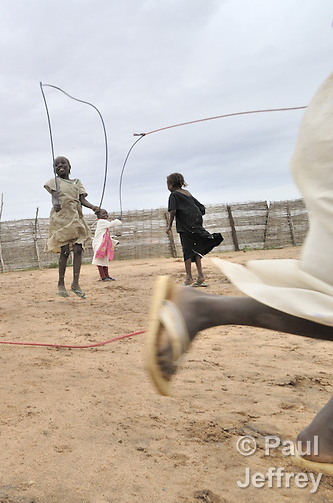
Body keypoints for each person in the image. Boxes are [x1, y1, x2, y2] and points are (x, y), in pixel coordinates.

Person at [145, 71, 333, 476]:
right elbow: (193, 210)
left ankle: (327, 434)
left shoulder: (178, 196)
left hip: (191, 228)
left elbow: (177, 213)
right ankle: (201, 301)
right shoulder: (186, 194)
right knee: (195, 256)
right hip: (194, 225)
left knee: (192, 255)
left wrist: (170, 227)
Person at [44, 156, 99, 298]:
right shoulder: (54, 182)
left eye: (63, 163)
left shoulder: (77, 182)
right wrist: (55, 204)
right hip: (61, 220)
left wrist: (93, 207)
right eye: (56, 165)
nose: (60, 166)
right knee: (65, 251)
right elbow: (54, 196)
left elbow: (82, 199)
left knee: (78, 249)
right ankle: (61, 283)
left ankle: (75, 283)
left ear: (69, 166)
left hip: (76, 219)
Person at [165, 173, 223, 287]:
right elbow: (201, 208)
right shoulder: (187, 193)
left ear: (171, 184)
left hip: (186, 225)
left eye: (167, 184)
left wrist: (169, 226)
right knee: (196, 249)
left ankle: (189, 278)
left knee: (187, 249)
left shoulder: (174, 195)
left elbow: (173, 211)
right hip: (196, 222)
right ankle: (200, 277)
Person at [91, 209, 121, 281]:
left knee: (104, 260)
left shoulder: (103, 224)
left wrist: (114, 241)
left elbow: (106, 237)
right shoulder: (101, 222)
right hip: (99, 244)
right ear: (99, 216)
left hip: (103, 245)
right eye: (103, 213)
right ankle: (103, 276)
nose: (106, 215)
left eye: (106, 213)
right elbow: (111, 224)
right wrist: (117, 220)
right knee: (99, 260)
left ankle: (106, 276)